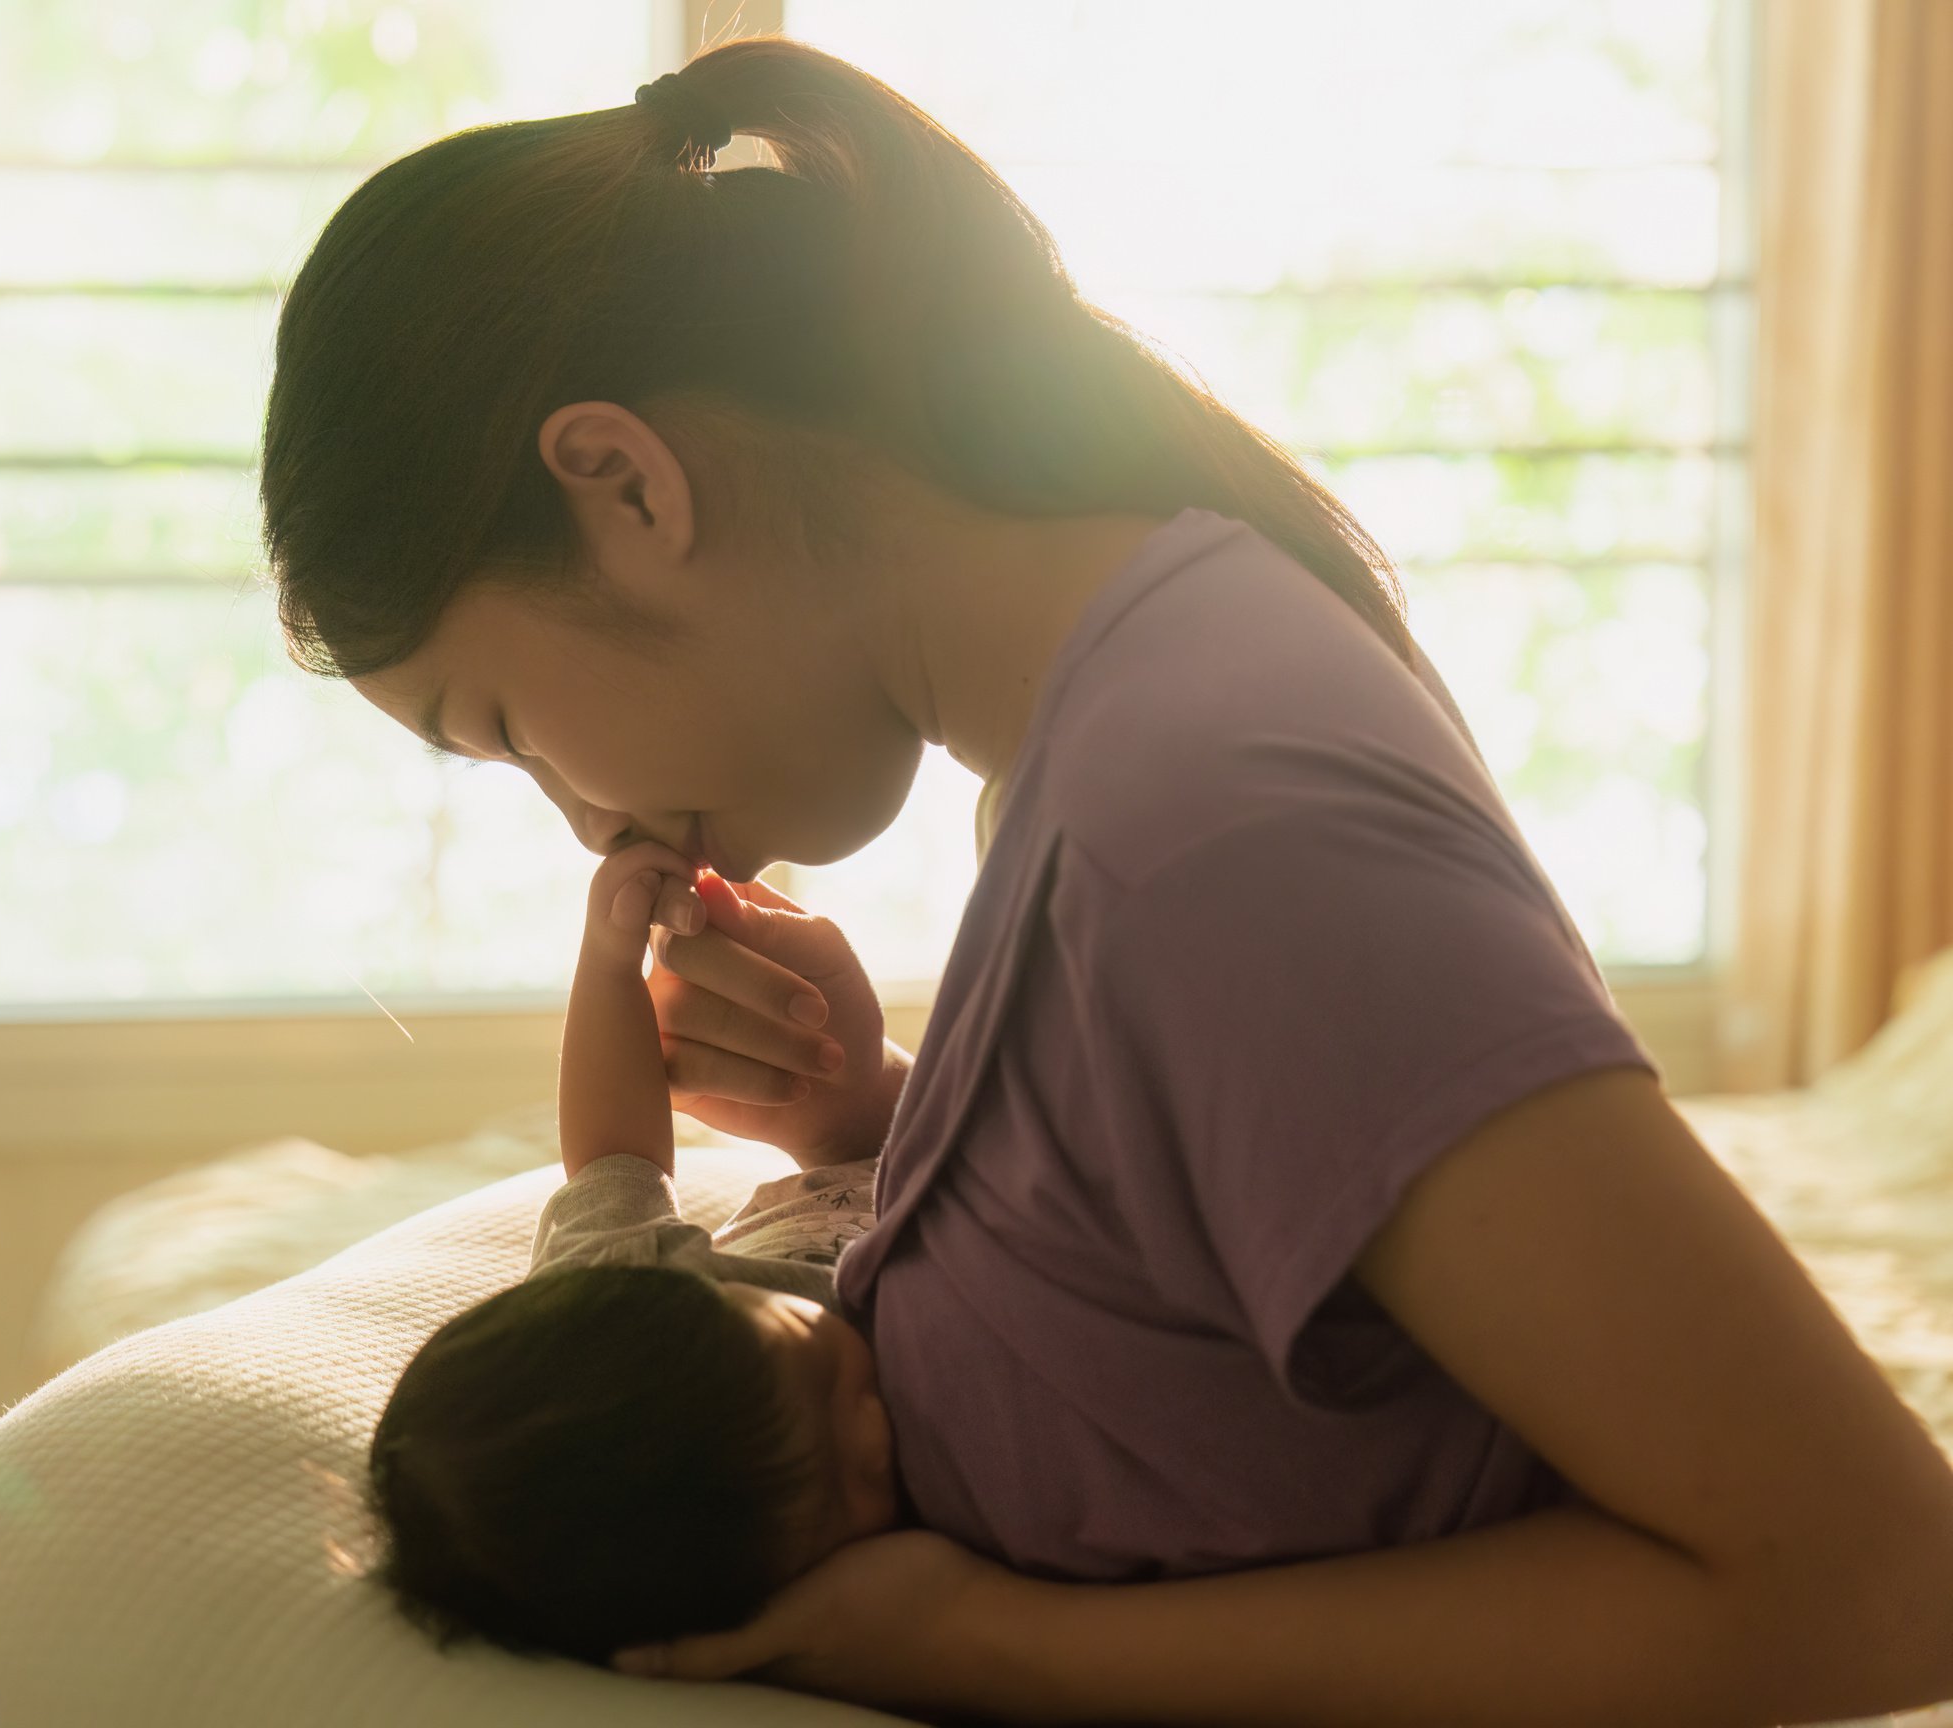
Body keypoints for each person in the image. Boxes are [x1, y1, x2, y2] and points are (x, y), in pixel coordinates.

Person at [259, 35, 1953, 1728]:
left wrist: (986, 1644)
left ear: (625, 484)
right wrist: (893, 1125)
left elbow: (1869, 1582)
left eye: (506, 727)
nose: (580, 821)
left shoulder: (1212, 830)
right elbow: (1263, 1263)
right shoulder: (1102, 759)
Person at [364, 840, 898, 1664]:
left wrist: (611, 960)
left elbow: (616, 1150)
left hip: (862, 1149)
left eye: (818, 1368)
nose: (873, 1436)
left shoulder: (625, 1284)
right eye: (842, 1498)